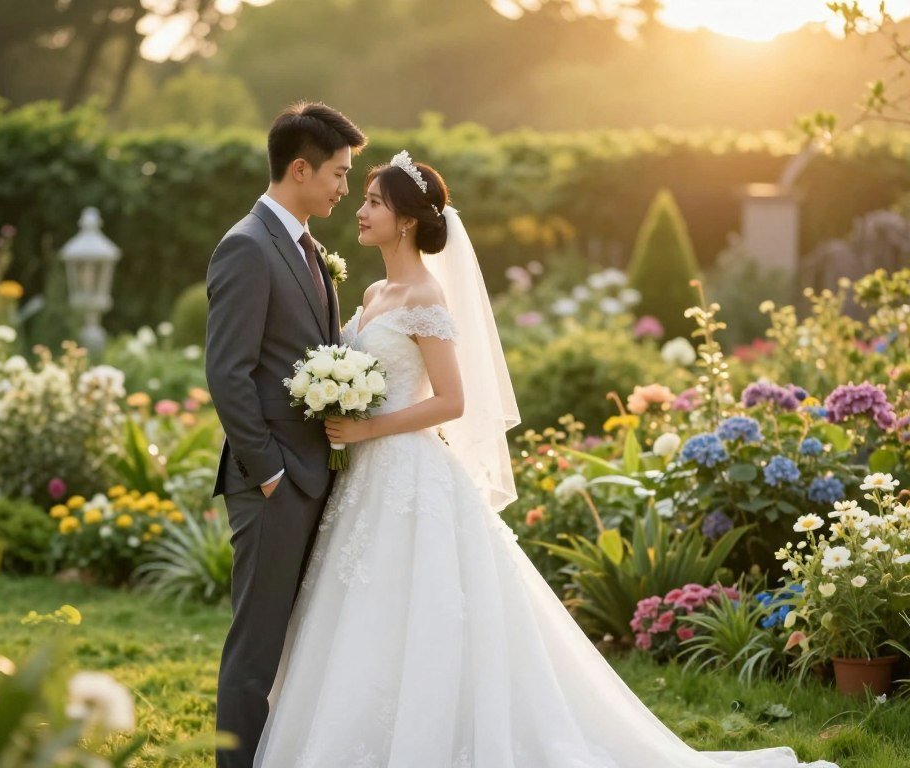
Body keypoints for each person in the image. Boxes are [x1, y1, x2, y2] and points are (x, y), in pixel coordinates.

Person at [251, 150, 840, 768]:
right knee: (360, 611)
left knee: (420, 608)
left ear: (405, 221)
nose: (361, 210)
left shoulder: (426, 296)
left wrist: (368, 427)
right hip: (366, 478)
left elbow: (452, 401)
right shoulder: (373, 291)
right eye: (364, 198)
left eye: (374, 201)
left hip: (406, 469)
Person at [204, 101, 366, 768]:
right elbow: (227, 372)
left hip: (311, 475)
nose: (344, 187)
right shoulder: (247, 246)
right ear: (300, 168)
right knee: (257, 647)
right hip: (272, 483)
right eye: (338, 172)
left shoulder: (307, 247)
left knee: (294, 641)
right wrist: (268, 470)